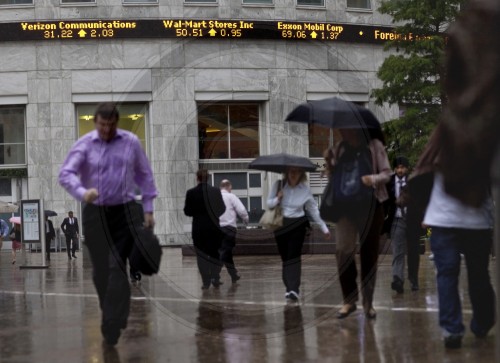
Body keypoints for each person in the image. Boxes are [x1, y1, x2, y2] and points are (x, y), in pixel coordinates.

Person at [59, 102, 158, 346]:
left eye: (111, 125)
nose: (106, 130)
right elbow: (66, 174)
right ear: (96, 122)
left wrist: (148, 209)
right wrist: (82, 192)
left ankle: (112, 322)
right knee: (100, 272)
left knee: (116, 267)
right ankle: (112, 311)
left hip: (124, 211)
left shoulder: (130, 142)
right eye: (102, 125)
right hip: (95, 212)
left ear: (116, 123)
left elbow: (144, 175)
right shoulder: (84, 145)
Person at [324, 128, 391, 319]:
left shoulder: (374, 146)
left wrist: (373, 179)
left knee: (369, 254)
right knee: (343, 250)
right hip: (345, 207)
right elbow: (336, 179)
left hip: (371, 205)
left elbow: (387, 173)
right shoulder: (339, 149)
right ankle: (349, 300)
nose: (343, 132)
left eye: (346, 129)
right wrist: (329, 163)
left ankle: (368, 303)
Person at [267, 167, 331, 301]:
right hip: (281, 224)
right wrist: (277, 199)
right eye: (291, 171)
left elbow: (313, 209)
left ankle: (294, 288)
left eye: (296, 172)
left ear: (301, 174)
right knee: (285, 257)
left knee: (293, 256)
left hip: (298, 224)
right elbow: (269, 204)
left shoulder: (305, 190)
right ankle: (288, 286)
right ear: (287, 172)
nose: (293, 174)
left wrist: (324, 228)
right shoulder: (278, 185)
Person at [184, 169, 226, 289]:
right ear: (208, 178)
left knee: (201, 256)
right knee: (216, 254)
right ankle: (215, 276)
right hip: (214, 228)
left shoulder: (191, 193)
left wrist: (197, 213)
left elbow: (187, 211)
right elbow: (222, 208)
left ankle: (206, 281)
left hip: (199, 229)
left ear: (197, 178)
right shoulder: (215, 191)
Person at [383, 156, 411, 293]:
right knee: (398, 252)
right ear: (394, 169)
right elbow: (382, 201)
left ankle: (413, 279)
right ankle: (397, 279)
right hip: (396, 220)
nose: (400, 170)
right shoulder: (389, 183)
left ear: (407, 168)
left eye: (402, 167)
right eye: (398, 167)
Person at [219, 179, 249, 283]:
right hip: (229, 228)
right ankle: (214, 274)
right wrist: (246, 220)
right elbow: (242, 210)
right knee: (224, 252)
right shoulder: (231, 197)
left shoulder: (215, 197)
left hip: (216, 229)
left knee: (227, 252)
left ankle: (233, 274)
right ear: (229, 187)